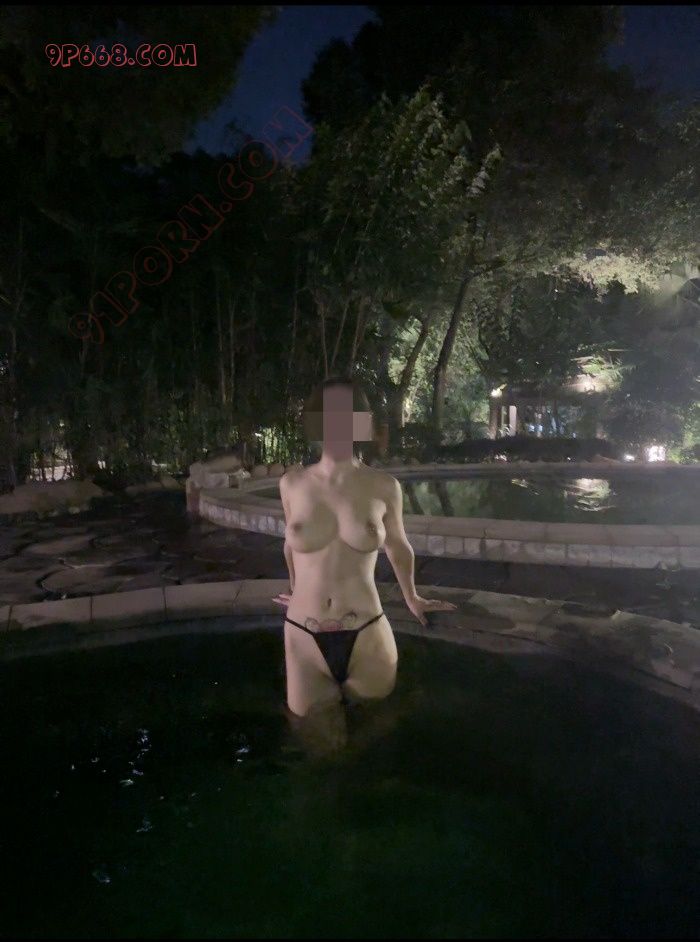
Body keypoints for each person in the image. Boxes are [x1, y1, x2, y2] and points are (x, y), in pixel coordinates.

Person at [272, 375, 457, 748]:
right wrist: (297, 588)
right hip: (303, 634)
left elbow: (398, 546)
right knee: (321, 751)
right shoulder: (292, 484)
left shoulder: (383, 486)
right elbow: (291, 545)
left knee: (376, 745)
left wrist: (412, 597)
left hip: (367, 632)